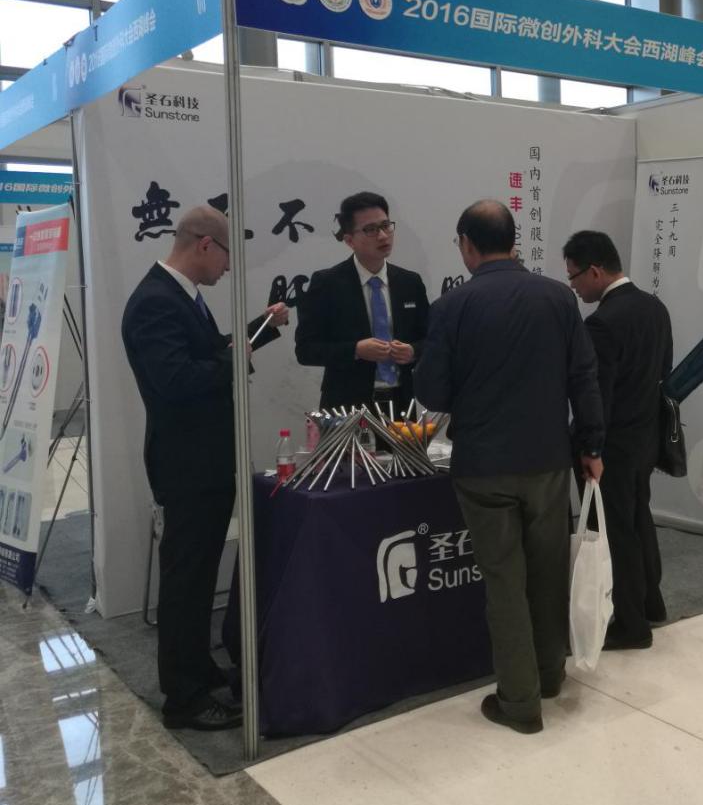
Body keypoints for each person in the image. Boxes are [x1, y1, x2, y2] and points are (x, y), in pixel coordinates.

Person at [415, 200, 604, 736]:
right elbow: (583, 376)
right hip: (549, 461)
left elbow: (433, 392)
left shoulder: (452, 306)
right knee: (547, 573)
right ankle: (549, 676)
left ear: (467, 244)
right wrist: (592, 445)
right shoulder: (558, 297)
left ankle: (519, 702)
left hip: (484, 466)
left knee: (504, 582)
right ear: (513, 240)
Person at [120, 206, 289, 731]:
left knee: (197, 577)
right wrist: (237, 358)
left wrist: (259, 330)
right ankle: (184, 699)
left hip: (206, 461)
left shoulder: (181, 297)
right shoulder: (155, 302)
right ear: (205, 244)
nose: (228, 268)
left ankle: (197, 668)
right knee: (186, 581)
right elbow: (177, 380)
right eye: (227, 256)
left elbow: (209, 352)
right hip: (187, 464)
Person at [563, 230, 673, 651]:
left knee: (614, 533)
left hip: (611, 446)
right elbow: (664, 371)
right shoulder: (654, 307)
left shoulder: (602, 323)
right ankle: (650, 603)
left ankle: (630, 624)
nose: (574, 287)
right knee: (639, 520)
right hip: (646, 437)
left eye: (574, 277)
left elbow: (596, 397)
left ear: (594, 271)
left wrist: (589, 447)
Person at [295, 192, 429, 411]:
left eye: (386, 226)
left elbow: (431, 339)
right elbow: (306, 350)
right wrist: (355, 350)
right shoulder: (327, 283)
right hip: (347, 406)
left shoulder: (410, 282)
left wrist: (413, 351)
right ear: (349, 240)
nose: (383, 236)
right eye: (371, 229)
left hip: (401, 403)